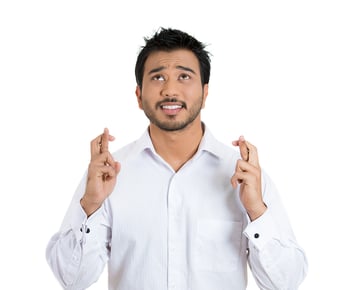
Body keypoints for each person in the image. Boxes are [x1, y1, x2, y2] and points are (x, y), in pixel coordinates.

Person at [46, 27, 308, 290]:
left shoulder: (244, 175)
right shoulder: (108, 175)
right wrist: (90, 204)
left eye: (184, 76)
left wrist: (256, 210)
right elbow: (73, 280)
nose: (170, 90)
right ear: (139, 96)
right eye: (158, 77)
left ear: (205, 93)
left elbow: (285, 283)